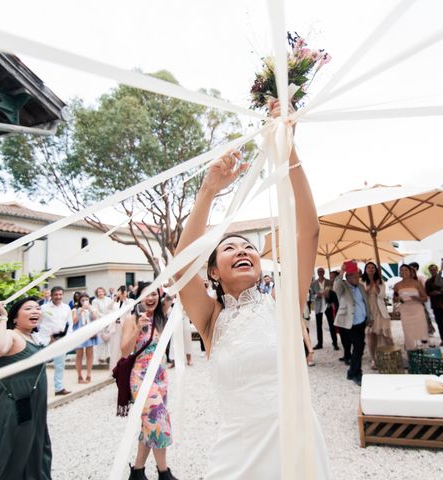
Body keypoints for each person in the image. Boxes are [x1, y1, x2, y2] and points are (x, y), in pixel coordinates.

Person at [176, 98, 330, 479]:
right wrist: (209, 190)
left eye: (248, 247)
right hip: (236, 455)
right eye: (230, 247)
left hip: (295, 448)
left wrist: (286, 147)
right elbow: (179, 267)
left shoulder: (282, 301)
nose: (243, 250)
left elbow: (307, 230)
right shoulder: (211, 320)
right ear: (213, 271)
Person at [0, 299, 51, 480]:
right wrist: (2, 319)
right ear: (15, 318)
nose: (35, 311)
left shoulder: (32, 337)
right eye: (28, 308)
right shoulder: (11, 334)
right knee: (4, 458)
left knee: (32, 456)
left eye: (38, 308)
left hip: (32, 410)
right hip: (11, 409)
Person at [121, 283, 175, 480]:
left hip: (160, 377)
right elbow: (125, 351)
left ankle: (137, 471)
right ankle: (164, 473)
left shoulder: (160, 315)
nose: (150, 298)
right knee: (159, 421)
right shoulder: (131, 319)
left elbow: (175, 293)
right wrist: (138, 328)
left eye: (154, 294)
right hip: (141, 378)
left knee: (148, 425)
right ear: (138, 297)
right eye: (145, 295)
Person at [333, 260, 371, 386]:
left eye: (358, 275)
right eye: (354, 276)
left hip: (361, 321)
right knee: (359, 347)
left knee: (359, 347)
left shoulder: (360, 286)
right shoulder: (342, 286)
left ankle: (352, 372)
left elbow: (365, 302)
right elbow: (335, 288)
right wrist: (342, 271)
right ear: (348, 276)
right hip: (349, 323)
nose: (357, 278)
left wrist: (369, 317)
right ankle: (356, 373)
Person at [39, 286, 71, 396]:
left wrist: (67, 338)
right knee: (40, 365)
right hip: (45, 340)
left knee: (59, 365)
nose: (58, 297)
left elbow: (69, 324)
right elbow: (38, 325)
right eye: (56, 295)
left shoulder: (66, 308)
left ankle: (59, 388)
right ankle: (38, 390)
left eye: (60, 294)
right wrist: (47, 338)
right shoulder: (43, 308)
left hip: (60, 340)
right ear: (51, 295)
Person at [361, 262, 393, 369]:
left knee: (385, 334)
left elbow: (382, 295)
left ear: (376, 270)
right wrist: (372, 285)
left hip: (379, 310)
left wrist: (377, 285)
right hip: (367, 310)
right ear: (365, 270)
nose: (371, 269)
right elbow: (363, 295)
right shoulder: (362, 281)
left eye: (373, 267)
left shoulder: (380, 281)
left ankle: (389, 355)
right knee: (370, 336)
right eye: (368, 267)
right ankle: (373, 359)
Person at [393, 264, 428, 351]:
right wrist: (398, 299)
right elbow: (394, 299)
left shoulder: (417, 283)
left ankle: (424, 350)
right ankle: (411, 351)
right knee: (408, 332)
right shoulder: (397, 285)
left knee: (421, 330)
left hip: (417, 309)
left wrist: (417, 298)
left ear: (410, 272)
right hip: (405, 310)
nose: (404, 272)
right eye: (402, 270)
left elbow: (425, 298)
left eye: (406, 270)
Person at [72, 293, 98, 383]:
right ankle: (79, 376)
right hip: (79, 333)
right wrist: (81, 310)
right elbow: (74, 321)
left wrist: (90, 309)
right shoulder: (75, 309)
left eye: (86, 299)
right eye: (82, 300)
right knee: (79, 355)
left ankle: (89, 374)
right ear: (79, 301)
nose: (84, 301)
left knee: (89, 354)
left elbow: (95, 319)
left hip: (90, 333)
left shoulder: (92, 309)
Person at [103, 285, 131, 371]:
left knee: (125, 347)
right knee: (114, 349)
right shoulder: (115, 302)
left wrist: (124, 298)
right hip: (115, 327)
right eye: (120, 291)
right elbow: (107, 308)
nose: (122, 293)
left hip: (125, 327)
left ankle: (125, 368)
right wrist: (114, 299)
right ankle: (114, 369)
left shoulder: (129, 301)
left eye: (124, 292)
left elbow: (130, 308)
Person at [409, 262, 436, 336]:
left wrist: (421, 296)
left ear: (415, 268)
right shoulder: (409, 279)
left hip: (423, 298)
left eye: (411, 268)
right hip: (415, 300)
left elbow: (425, 287)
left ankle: (430, 330)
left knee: (427, 314)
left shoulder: (420, 276)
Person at [310, 267, 331, 350]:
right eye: (319, 271)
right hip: (318, 306)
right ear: (318, 273)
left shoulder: (329, 282)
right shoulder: (313, 283)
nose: (320, 273)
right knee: (319, 325)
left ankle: (335, 342)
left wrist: (327, 294)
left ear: (324, 272)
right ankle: (319, 343)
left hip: (327, 305)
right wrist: (316, 295)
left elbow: (332, 292)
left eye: (322, 271)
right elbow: (311, 295)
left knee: (331, 324)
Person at [425, 264, 443, 345]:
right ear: (429, 271)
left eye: (434, 269)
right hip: (436, 305)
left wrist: (440, 292)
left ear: (437, 270)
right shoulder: (428, 281)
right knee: (439, 323)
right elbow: (427, 292)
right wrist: (432, 293)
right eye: (431, 270)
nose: (433, 271)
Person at [92, 287, 114, 363]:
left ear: (104, 292)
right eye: (99, 292)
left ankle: (109, 356)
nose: (100, 293)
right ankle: (101, 357)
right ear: (97, 293)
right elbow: (95, 311)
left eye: (102, 291)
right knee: (101, 339)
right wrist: (104, 318)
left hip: (109, 321)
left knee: (109, 339)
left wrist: (109, 318)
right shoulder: (95, 301)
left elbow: (111, 309)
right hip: (100, 321)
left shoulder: (109, 299)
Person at [325, 270, 340, 352]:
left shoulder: (343, 284)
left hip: (340, 309)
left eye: (333, 277)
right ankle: (335, 343)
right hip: (331, 310)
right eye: (330, 277)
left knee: (342, 327)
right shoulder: (328, 287)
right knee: (332, 327)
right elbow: (327, 300)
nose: (332, 279)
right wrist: (326, 295)